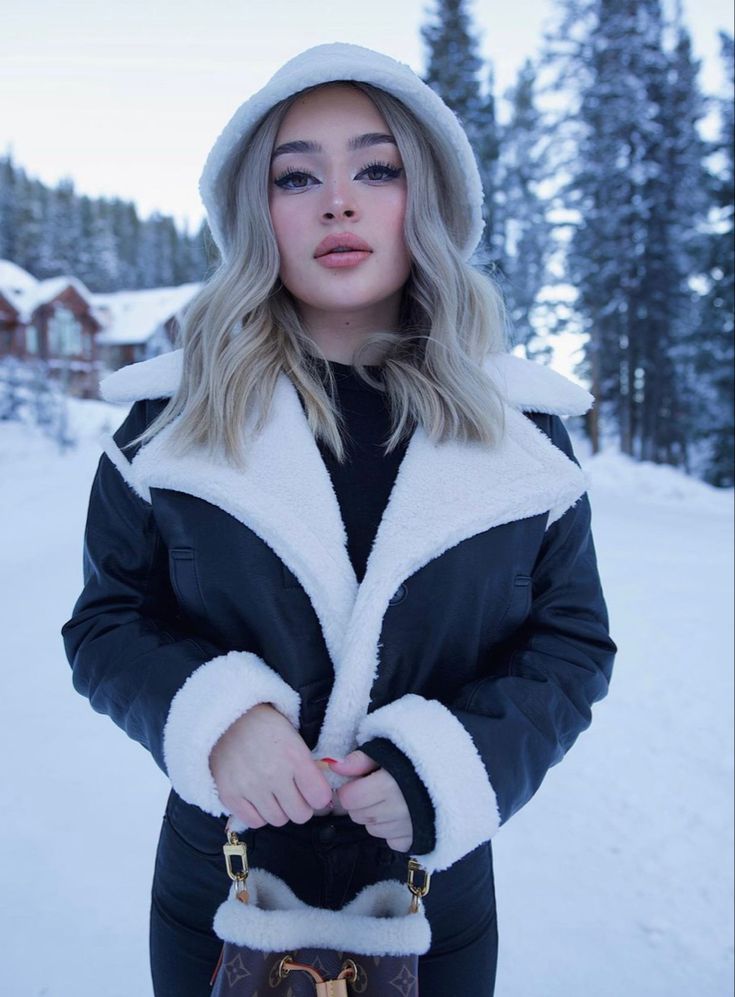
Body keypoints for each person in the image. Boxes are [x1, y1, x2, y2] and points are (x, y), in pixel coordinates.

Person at [61, 42, 617, 997]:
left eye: (376, 167)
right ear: (257, 209)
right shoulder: (167, 425)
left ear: (426, 197)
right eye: (296, 175)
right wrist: (215, 716)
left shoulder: (524, 436)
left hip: (429, 892)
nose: (338, 201)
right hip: (223, 883)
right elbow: (104, 624)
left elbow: (572, 645)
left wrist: (449, 764)